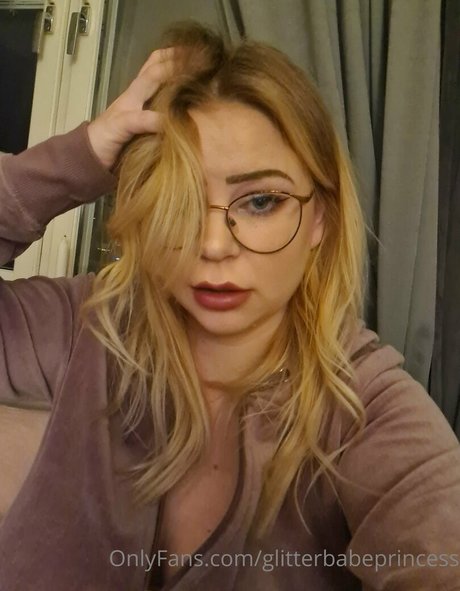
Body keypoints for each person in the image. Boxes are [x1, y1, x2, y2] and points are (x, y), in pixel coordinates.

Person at [0, 22, 459, 591]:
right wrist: (82, 155)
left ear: (321, 218)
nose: (214, 246)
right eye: (181, 203)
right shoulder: (86, 325)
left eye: (260, 201)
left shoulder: (367, 410)